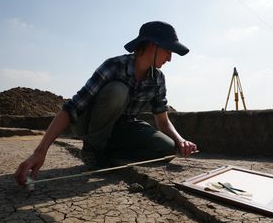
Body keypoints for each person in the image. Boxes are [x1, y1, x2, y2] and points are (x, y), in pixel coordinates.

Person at [14, 21, 198, 186]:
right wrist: (40, 151)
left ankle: (105, 152)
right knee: (119, 91)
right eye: (168, 51)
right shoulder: (114, 66)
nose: (170, 58)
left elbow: (163, 121)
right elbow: (72, 108)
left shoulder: (158, 79)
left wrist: (180, 141)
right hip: (90, 124)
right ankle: (92, 147)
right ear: (152, 45)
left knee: (166, 149)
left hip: (122, 128)